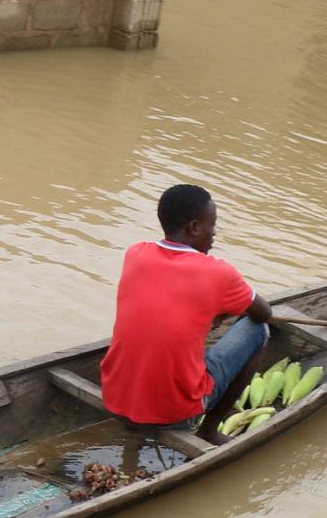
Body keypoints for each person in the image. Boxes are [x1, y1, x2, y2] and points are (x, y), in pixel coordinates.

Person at [100, 184, 275, 432]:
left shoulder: (136, 253)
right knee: (259, 330)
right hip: (175, 413)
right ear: (193, 228)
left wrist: (218, 310)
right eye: (212, 225)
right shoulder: (219, 273)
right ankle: (209, 430)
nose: (214, 233)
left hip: (114, 399)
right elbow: (263, 313)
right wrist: (224, 310)